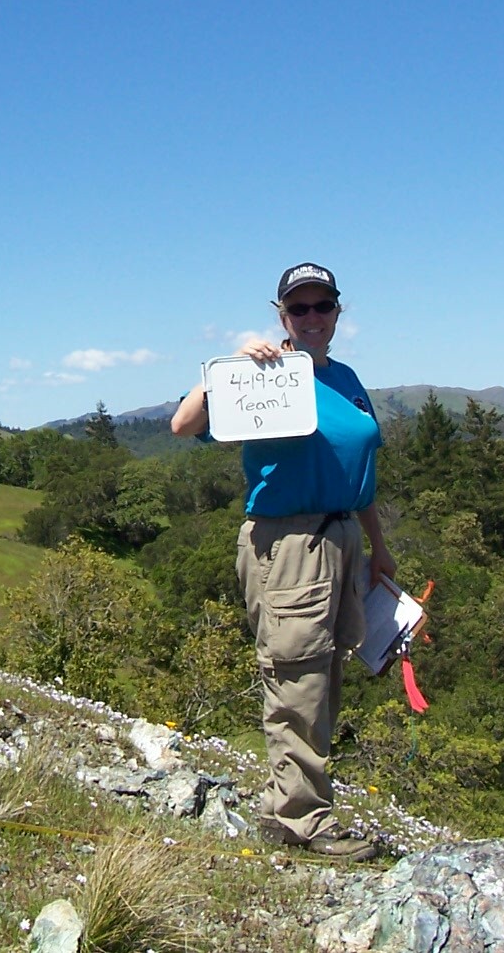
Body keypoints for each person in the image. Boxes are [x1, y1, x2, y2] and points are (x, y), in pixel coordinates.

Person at [171, 262, 396, 861]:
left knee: (325, 675)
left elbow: (361, 471)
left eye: (323, 306)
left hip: (342, 537)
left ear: (338, 312)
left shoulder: (346, 378)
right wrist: (227, 370)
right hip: (289, 545)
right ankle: (302, 819)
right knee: (298, 678)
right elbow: (183, 425)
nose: (312, 317)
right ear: (282, 316)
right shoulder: (263, 374)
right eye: (299, 308)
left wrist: (378, 547)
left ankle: (287, 806)